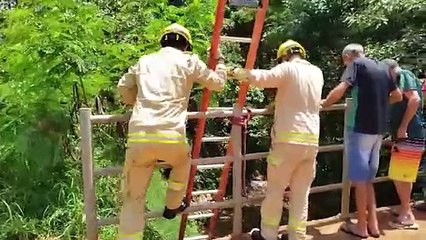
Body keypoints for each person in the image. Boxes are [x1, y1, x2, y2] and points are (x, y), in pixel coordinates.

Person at [116, 23, 228, 240]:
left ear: (162, 41)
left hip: (140, 134)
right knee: (182, 162)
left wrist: (134, 103)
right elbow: (219, 83)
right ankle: (172, 206)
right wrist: (220, 62)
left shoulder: (144, 61)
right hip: (171, 135)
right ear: (186, 45)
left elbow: (123, 87)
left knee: (134, 199)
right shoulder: (189, 61)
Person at [233, 39, 324, 240]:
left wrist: (238, 73)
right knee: (301, 193)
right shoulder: (317, 72)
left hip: (287, 140)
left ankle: (268, 234)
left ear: (284, 56)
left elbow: (264, 78)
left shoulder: (288, 69)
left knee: (275, 190)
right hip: (311, 141)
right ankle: (297, 236)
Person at [321, 44, 402, 238]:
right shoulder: (382, 67)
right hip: (378, 130)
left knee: (359, 180)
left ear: (348, 56)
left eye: (344, 61)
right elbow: (397, 96)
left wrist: (324, 103)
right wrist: (377, 105)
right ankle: (373, 225)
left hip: (359, 129)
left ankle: (361, 228)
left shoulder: (356, 64)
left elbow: (342, 87)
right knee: (367, 179)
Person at [381, 59, 425, 229]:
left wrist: (403, 127)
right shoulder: (405, 76)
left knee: (401, 174)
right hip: (408, 133)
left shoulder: (403, 75)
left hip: (409, 133)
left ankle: (407, 215)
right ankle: (405, 208)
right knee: (402, 172)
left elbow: (414, 100)